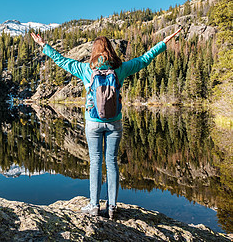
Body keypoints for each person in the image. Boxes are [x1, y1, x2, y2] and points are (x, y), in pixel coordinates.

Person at [31, 28, 181, 219]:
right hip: (114, 123)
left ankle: (94, 206)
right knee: (112, 162)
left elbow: (62, 61)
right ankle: (112, 207)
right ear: (110, 50)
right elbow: (145, 59)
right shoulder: (120, 69)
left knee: (95, 163)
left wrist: (44, 45)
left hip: (93, 122)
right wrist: (163, 43)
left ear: (94, 51)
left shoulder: (86, 69)